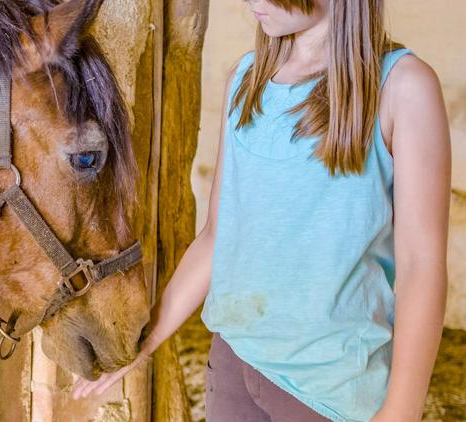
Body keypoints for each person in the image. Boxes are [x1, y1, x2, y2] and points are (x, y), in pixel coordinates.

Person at [72, 0, 452, 421]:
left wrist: (401, 410)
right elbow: (218, 236)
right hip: (233, 369)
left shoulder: (403, 86)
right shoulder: (245, 82)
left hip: (331, 394)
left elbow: (423, 267)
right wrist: (144, 339)